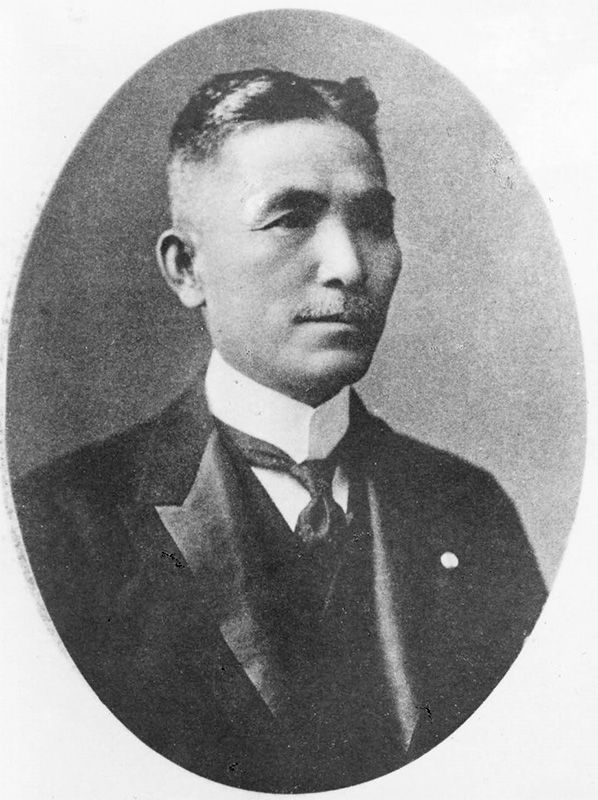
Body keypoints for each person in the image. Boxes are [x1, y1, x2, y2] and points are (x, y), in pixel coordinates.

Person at [12, 69, 546, 793]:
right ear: (187, 268)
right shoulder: (56, 526)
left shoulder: (470, 509)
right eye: (291, 218)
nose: (349, 265)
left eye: (372, 221)